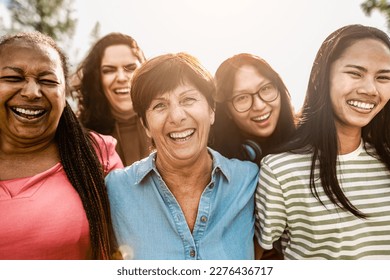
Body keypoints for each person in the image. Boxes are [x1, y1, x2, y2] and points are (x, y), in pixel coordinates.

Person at [105, 52, 259, 260]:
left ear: (211, 110)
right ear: (145, 125)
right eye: (160, 105)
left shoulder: (249, 180)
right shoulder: (116, 190)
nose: (177, 116)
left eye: (188, 99)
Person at [255, 24, 390, 259]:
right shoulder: (280, 170)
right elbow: (256, 257)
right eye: (355, 73)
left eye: (383, 77)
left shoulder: (385, 159)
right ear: (320, 77)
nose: (370, 89)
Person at [0, 32, 123, 260]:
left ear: (64, 93)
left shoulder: (98, 154)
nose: (32, 92)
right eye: (13, 78)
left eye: (48, 81)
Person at [73, 32, 151, 166]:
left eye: (130, 68)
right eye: (109, 70)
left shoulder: (168, 125)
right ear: (97, 79)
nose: (121, 78)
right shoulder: (80, 136)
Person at [211, 53, 296, 165]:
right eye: (242, 98)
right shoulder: (216, 164)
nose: (259, 106)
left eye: (265, 88)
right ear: (227, 111)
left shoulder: (307, 145)